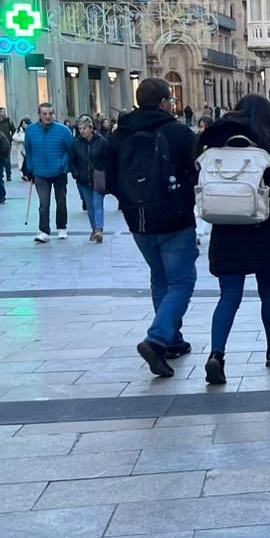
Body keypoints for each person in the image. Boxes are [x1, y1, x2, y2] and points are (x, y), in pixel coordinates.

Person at [103, 77, 200, 379]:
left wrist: (129, 201)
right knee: (182, 281)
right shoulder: (178, 132)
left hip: (138, 220)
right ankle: (157, 339)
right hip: (174, 218)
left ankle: (172, 339)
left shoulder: (119, 134)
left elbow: (108, 177)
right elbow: (196, 171)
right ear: (164, 102)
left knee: (159, 276)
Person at [197, 95, 270, 385]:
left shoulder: (214, 144)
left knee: (228, 296)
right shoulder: (267, 147)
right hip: (263, 231)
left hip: (225, 231)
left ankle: (216, 354)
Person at [22, 104, 73, 244]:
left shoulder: (63, 130)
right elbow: (28, 151)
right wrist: (30, 169)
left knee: (61, 201)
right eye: (44, 113)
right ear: (39, 114)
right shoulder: (31, 130)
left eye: (50, 113)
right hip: (40, 172)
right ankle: (44, 230)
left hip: (59, 172)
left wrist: (64, 166)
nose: (48, 116)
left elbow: (71, 150)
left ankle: (62, 227)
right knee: (44, 203)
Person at [69, 117, 110, 243]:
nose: (82, 131)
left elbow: (108, 160)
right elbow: (72, 160)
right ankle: (94, 229)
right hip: (83, 180)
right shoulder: (76, 143)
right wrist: (76, 174)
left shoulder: (102, 142)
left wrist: (105, 173)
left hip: (98, 178)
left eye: (84, 128)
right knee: (90, 206)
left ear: (91, 128)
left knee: (98, 204)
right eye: (80, 128)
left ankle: (99, 229)